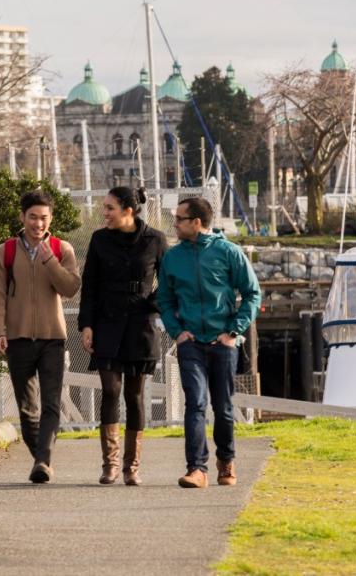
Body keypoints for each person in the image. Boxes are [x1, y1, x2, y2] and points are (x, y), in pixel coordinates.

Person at [156, 196, 260, 489]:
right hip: (190, 343)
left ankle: (226, 461)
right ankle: (196, 469)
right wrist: (177, 331)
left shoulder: (228, 253)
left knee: (224, 407)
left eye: (179, 219)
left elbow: (252, 294)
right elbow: (163, 299)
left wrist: (233, 332)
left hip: (223, 343)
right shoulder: (172, 258)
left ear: (197, 223)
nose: (174, 224)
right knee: (196, 403)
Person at [0, 190, 81, 484]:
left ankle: (43, 461)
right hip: (17, 339)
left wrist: (49, 260)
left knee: (51, 402)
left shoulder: (61, 248)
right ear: (22, 217)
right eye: (32, 217)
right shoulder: (6, 252)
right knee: (27, 407)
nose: (38, 224)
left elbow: (70, 288)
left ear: (50, 218)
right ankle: (40, 457)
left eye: (43, 218)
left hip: (52, 338)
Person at [78, 186, 167, 485]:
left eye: (110, 208)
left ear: (128, 210)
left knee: (134, 395)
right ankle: (110, 465)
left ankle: (132, 467)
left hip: (140, 326)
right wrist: (86, 325)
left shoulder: (155, 239)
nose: (104, 213)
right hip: (106, 323)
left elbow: (167, 284)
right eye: (104, 208)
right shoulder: (99, 239)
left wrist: (150, 305)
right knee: (111, 391)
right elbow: (89, 285)